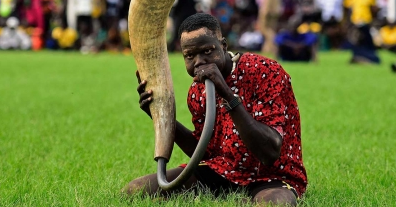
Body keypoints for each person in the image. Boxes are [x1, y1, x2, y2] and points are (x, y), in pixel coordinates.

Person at [125, 13, 306, 205]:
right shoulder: (197, 91)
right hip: (223, 171)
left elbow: (269, 153)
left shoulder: (264, 72)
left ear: (224, 46)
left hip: (272, 176)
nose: (199, 62)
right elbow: (204, 151)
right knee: (135, 190)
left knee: (276, 203)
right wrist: (159, 115)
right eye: (189, 56)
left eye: (208, 51)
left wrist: (226, 93)